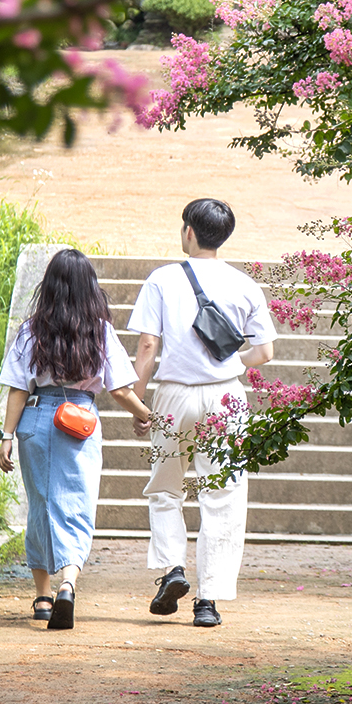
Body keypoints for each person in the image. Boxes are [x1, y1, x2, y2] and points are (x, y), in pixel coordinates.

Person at [131, 198, 276, 628]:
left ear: (189, 231)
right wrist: (231, 364)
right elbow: (265, 351)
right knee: (223, 494)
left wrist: (138, 402)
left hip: (174, 395)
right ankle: (208, 600)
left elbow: (147, 346)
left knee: (165, 488)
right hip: (225, 398)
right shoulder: (244, 284)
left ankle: (173, 569)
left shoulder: (162, 279)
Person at [0, 248, 153, 630]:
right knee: (77, 505)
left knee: (41, 504)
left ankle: (42, 597)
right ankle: (68, 582)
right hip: (79, 421)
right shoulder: (100, 331)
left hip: (37, 417)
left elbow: (18, 389)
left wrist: (6, 436)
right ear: (89, 287)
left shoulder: (31, 330)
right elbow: (120, 390)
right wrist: (145, 415)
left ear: (49, 286)